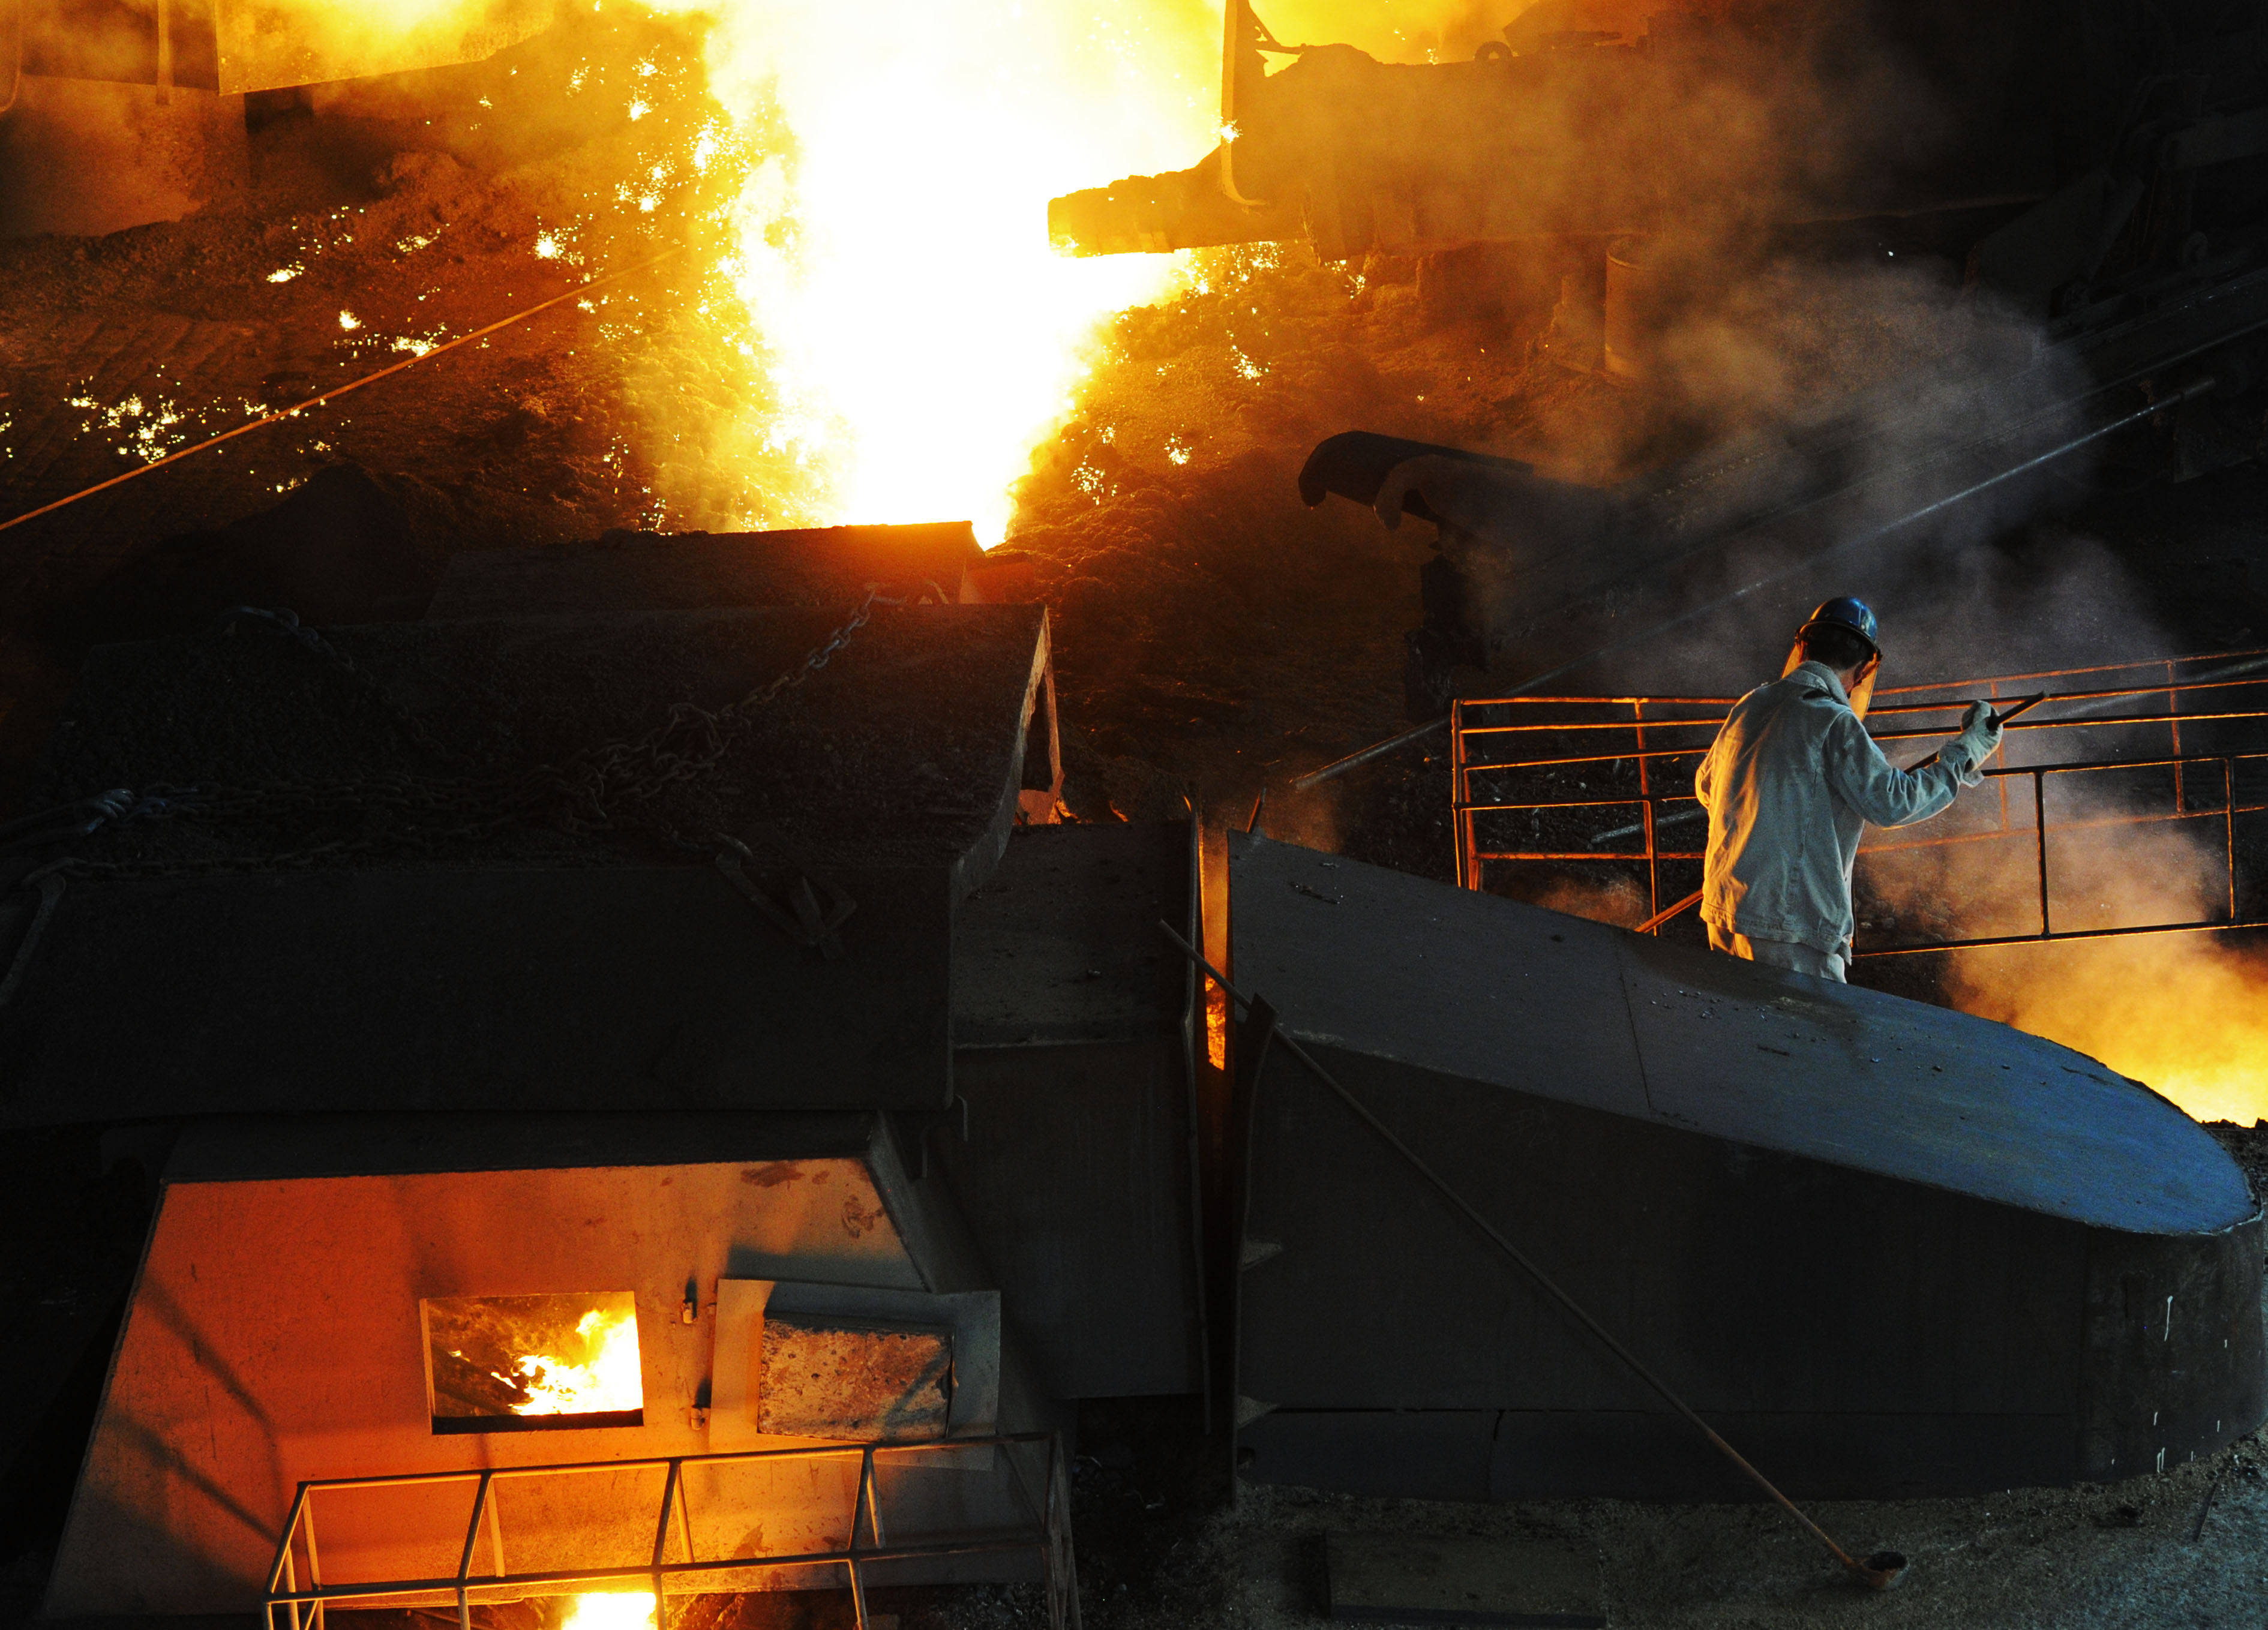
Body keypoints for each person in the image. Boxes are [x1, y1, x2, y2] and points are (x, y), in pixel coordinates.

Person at [1693, 597, 2002, 983]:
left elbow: (1707, 786)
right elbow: (1892, 803)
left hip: (1725, 910)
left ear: (1803, 647)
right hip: (1793, 928)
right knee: (1805, 1037)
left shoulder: (1750, 705)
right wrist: (1967, 752)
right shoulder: (1833, 720)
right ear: (1862, 670)